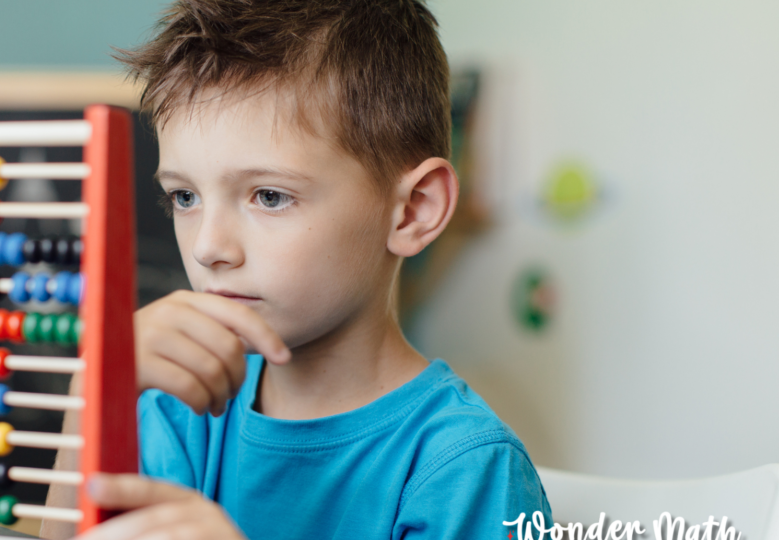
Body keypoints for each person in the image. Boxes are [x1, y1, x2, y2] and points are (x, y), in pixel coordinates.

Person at [44, 1, 552, 538]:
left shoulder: (465, 469)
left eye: (268, 196)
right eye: (184, 196)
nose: (209, 247)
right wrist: (95, 388)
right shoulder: (178, 413)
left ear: (412, 211)